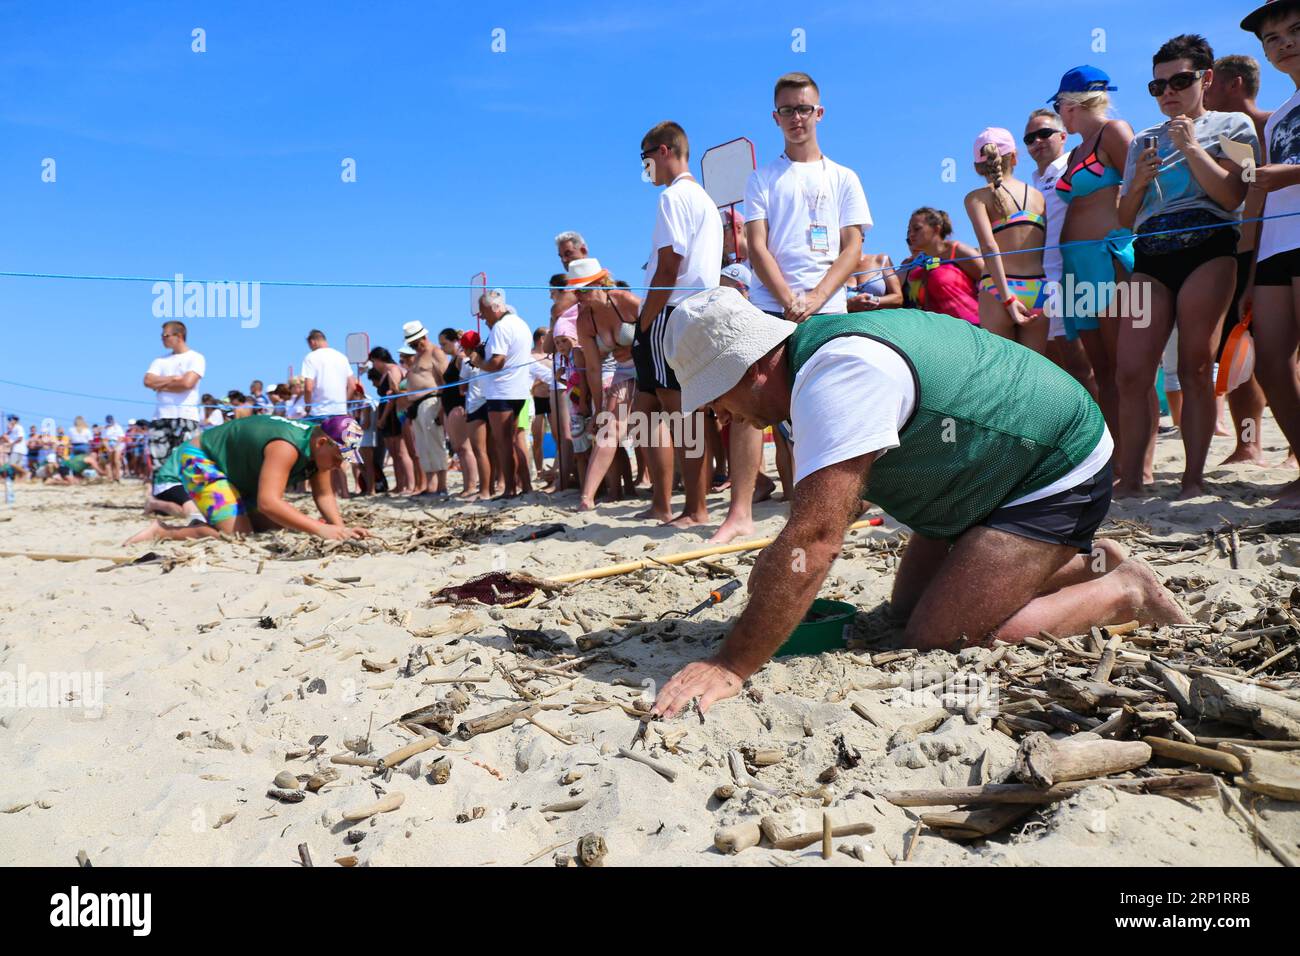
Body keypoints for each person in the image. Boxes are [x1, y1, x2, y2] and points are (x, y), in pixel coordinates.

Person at [649, 287, 1188, 718]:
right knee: (906, 612)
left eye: (715, 396)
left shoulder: (836, 378)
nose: (718, 415)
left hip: (1052, 464)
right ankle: (1081, 564)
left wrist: (732, 664)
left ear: (751, 370)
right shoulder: (803, 369)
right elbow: (833, 511)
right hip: (974, 470)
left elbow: (815, 540)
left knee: (940, 639)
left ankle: (1123, 590)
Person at [728, 70, 873, 544]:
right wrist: (790, 297)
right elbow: (756, 244)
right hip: (774, 306)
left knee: (832, 410)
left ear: (819, 112)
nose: (796, 117)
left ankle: (833, 504)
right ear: (776, 117)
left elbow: (852, 247)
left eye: (804, 108)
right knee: (761, 408)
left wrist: (816, 297)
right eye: (787, 110)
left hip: (828, 309)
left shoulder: (844, 176)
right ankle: (754, 511)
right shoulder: (762, 177)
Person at [1116, 34, 1260, 499]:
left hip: (1210, 245)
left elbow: (1234, 194)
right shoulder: (1142, 140)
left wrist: (1194, 147)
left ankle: (1193, 478)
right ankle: (1134, 477)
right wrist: (1137, 182)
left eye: (1179, 80)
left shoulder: (1235, 124)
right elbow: (1124, 217)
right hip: (1152, 253)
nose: (1168, 92)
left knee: (1196, 364)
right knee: (1131, 370)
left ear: (1207, 78)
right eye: (1157, 86)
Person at [1052, 66, 1139, 479]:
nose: (1059, 114)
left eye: (1059, 106)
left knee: (1125, 367)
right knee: (1098, 369)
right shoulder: (1074, 152)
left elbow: (1142, 190)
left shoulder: (1115, 131)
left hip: (1107, 258)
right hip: (1076, 265)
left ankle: (1137, 464)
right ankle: (1112, 461)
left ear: (1071, 104)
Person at [637, 120, 724, 528]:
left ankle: (691, 509)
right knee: (672, 412)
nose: (645, 168)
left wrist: (645, 318)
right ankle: (676, 505)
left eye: (646, 158)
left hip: (673, 311)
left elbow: (669, 265)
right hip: (700, 310)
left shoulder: (673, 198)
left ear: (664, 151)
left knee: (675, 415)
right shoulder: (704, 200)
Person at [124, 415, 369, 543]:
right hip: (203, 459)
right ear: (322, 442)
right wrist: (319, 528)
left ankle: (221, 519)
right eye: (339, 457)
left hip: (240, 473)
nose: (341, 464)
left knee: (278, 524)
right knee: (237, 534)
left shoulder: (318, 446)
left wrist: (339, 528)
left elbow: (324, 495)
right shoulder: (286, 446)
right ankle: (162, 532)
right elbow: (269, 502)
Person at [1241, 0, 1300, 506]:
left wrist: (1282, 175)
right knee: (1271, 364)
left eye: (1295, 30)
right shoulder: (1277, 115)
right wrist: (1247, 269)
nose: (1284, 42)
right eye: (1272, 38)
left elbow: (1276, 177)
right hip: (1276, 246)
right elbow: (1259, 194)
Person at [1204, 52, 1273, 466]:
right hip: (1238, 250)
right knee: (1240, 352)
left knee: (1278, 353)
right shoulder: (1216, 137)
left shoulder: (1271, 125)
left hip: (1279, 247)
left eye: (1211, 85)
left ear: (1234, 84)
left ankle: (1291, 454)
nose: (1203, 92)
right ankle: (1248, 444)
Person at [1025, 109, 1099, 395]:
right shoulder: (1032, 183)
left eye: (1044, 133)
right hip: (1044, 284)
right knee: (1057, 368)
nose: (1037, 141)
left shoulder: (1075, 165)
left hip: (1076, 278)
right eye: (1030, 138)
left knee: (1084, 367)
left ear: (1063, 136)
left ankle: (1101, 434)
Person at [965, 127, 1050, 353]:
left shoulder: (976, 198)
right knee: (1034, 373)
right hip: (1039, 287)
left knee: (1002, 373)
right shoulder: (1037, 196)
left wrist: (1008, 300)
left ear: (977, 166)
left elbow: (989, 247)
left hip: (998, 288)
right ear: (1014, 157)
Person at [568, 259, 642, 511]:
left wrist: (635, 348)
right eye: (575, 291)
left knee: (676, 427)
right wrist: (598, 405)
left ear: (601, 282)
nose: (578, 296)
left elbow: (657, 333)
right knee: (608, 426)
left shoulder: (625, 301)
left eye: (583, 289)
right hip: (622, 373)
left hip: (651, 366)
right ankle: (587, 498)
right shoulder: (584, 320)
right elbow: (592, 367)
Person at [471, 290, 535, 498]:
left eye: (482, 311)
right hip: (519, 390)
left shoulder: (501, 327)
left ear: (494, 308)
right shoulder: (521, 323)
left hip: (502, 392)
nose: (481, 316)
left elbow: (498, 362)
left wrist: (478, 362)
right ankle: (525, 485)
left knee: (503, 442)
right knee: (517, 440)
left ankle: (509, 489)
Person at [142, 320, 206, 478]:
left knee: (187, 462)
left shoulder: (196, 358)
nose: (162, 339)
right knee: (159, 463)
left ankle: (185, 499)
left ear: (179, 336)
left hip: (186, 416)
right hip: (161, 417)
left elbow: (187, 383)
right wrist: (173, 379)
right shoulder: (160, 360)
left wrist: (161, 384)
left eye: (165, 335)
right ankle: (164, 497)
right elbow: (147, 381)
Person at [901, 207, 983, 322]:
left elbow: (990, 281)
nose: (911, 235)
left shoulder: (958, 251)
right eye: (909, 230)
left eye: (917, 229)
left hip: (974, 327)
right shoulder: (918, 264)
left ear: (936, 229)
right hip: (940, 332)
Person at [402, 320, 450, 498]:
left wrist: (442, 409)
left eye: (416, 342)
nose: (415, 346)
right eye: (412, 344)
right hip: (416, 406)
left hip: (431, 402)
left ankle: (442, 486)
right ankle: (431, 485)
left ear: (423, 337)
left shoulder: (435, 352)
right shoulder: (416, 357)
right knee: (422, 447)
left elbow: (446, 381)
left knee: (435, 444)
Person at [368, 347, 416, 494]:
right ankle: (400, 484)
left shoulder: (393, 370)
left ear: (378, 359)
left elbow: (393, 397)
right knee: (394, 453)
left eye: (373, 362)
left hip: (393, 414)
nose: (373, 365)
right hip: (387, 414)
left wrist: (383, 418)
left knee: (402, 452)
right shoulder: (385, 373)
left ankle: (410, 484)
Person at [438, 328, 478, 496]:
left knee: (464, 447)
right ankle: (466, 485)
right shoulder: (454, 359)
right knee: (458, 448)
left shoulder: (461, 358)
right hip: (450, 406)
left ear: (455, 341)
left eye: (444, 344)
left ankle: (471, 486)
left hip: (459, 405)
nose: (442, 348)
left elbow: (470, 377)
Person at [459, 330, 494, 500]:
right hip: (489, 402)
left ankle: (485, 490)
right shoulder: (487, 357)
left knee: (480, 451)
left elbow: (462, 388)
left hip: (475, 405)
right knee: (492, 448)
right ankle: (494, 486)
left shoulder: (468, 362)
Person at [301, 330, 357, 418]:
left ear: (312, 342)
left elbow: (308, 388)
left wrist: (308, 405)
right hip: (340, 412)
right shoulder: (342, 357)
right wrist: (343, 404)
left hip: (319, 412)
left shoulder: (311, 357)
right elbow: (352, 386)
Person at [529, 328, 555, 482]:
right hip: (536, 399)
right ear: (541, 338)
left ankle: (553, 468)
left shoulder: (551, 355)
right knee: (537, 438)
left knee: (557, 435)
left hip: (551, 398)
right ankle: (538, 469)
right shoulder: (530, 356)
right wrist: (541, 380)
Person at [4, 416, 28, 481]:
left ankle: (25, 472)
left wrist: (11, 444)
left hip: (18, 449)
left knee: (11, 463)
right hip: (16, 449)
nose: (9, 422)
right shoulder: (13, 429)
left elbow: (20, 438)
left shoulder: (18, 427)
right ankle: (20, 478)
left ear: (15, 421)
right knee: (17, 466)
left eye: (11, 420)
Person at [103, 414, 125, 481]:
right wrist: (108, 448)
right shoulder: (105, 429)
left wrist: (115, 446)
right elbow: (104, 440)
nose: (109, 421)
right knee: (110, 462)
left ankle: (117, 477)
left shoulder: (118, 427)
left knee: (116, 460)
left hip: (118, 444)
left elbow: (121, 438)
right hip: (109, 444)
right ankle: (111, 477)